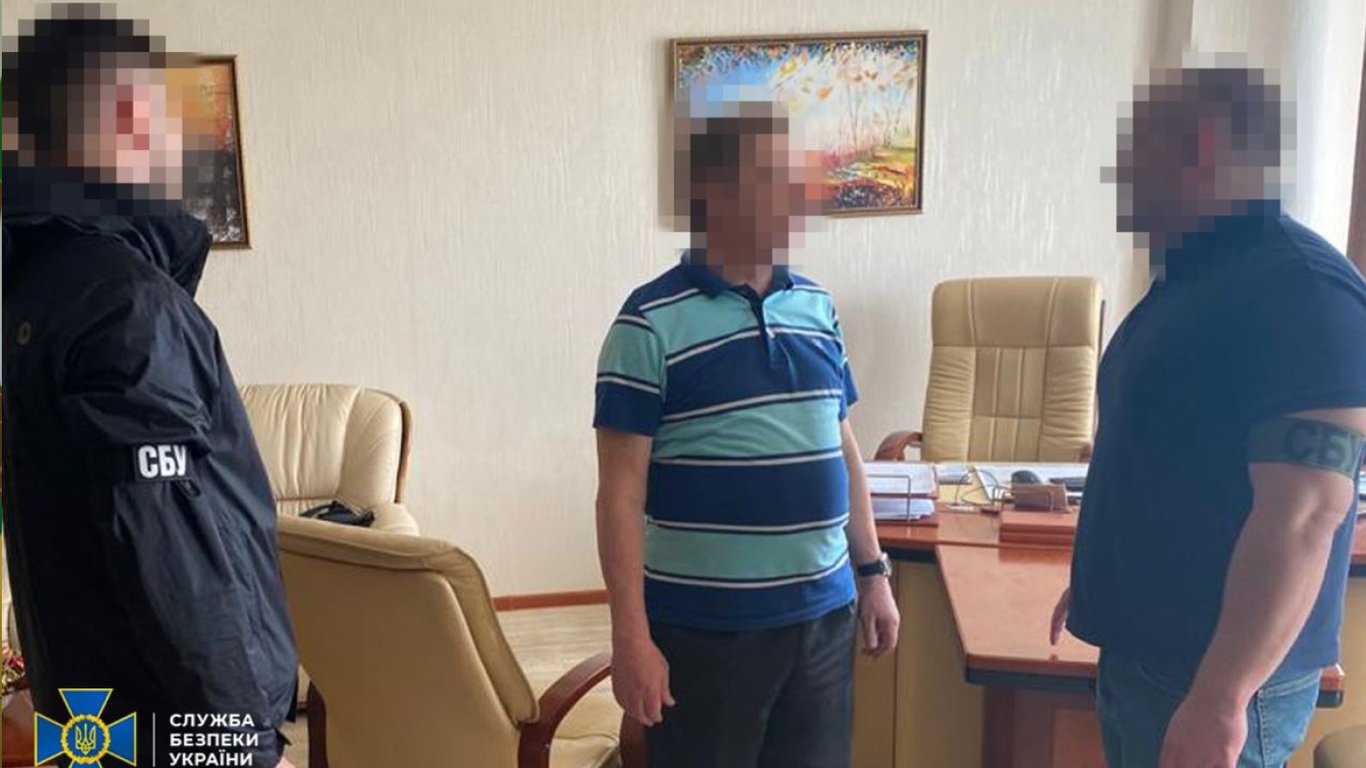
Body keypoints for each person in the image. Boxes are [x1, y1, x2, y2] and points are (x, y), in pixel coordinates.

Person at [2, 5, 297, 766]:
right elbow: (176, 556)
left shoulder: (29, 296)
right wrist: (239, 742)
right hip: (174, 729)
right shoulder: (124, 306)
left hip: (93, 718)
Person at [1052, 66, 1366, 768]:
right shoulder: (1199, 276)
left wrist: (1222, 698)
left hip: (1213, 682)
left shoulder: (1302, 292)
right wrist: (1104, 580)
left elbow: (1306, 515)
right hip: (1153, 659)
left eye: (1134, 152)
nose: (1121, 175)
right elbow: (1168, 449)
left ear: (1199, 148)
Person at [593, 98, 900, 768]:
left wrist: (873, 572)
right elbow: (619, 493)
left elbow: (843, 446)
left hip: (823, 618)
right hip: (705, 630)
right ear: (712, 189)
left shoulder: (817, 306)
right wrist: (630, 638)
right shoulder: (647, 323)